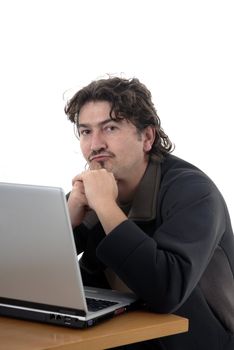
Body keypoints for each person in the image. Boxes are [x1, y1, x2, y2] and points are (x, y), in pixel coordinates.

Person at [64, 76, 234, 349]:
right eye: (85, 131)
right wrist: (66, 221)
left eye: (110, 128)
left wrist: (106, 207)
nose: (95, 145)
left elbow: (166, 291)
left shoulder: (194, 192)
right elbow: (32, 277)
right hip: (116, 336)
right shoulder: (91, 190)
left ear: (147, 137)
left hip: (189, 341)